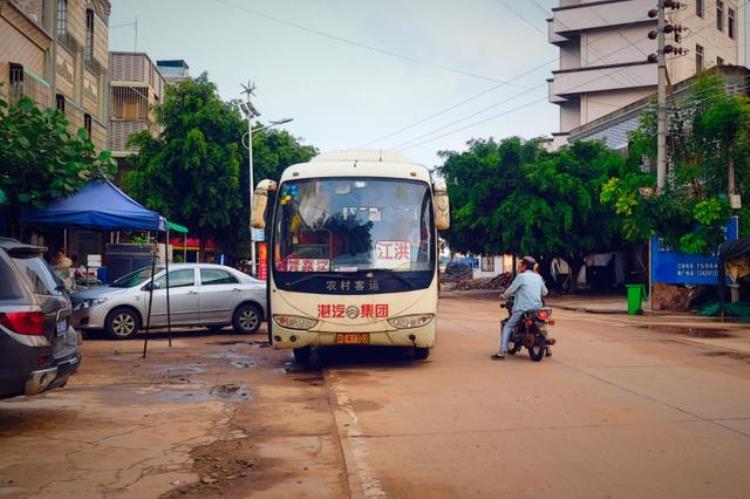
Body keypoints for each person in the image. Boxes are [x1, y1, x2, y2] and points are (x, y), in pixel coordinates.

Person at [492, 256, 548, 360]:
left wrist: (503, 296)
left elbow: (511, 290)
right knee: (542, 323)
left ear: (525, 266)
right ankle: (547, 348)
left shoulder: (521, 277)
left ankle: (501, 352)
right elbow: (545, 292)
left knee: (508, 326)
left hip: (523, 308)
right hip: (536, 308)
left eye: (521, 265)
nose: (519, 267)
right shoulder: (538, 277)